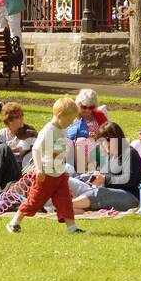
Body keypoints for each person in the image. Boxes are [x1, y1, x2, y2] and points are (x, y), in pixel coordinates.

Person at [8, 96, 84, 235]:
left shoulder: (61, 129)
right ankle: (15, 222)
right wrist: (39, 169)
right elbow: (36, 149)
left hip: (59, 174)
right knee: (35, 201)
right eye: (68, 120)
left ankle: (72, 228)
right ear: (59, 116)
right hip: (46, 174)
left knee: (65, 200)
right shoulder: (49, 130)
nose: (70, 124)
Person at [69, 122, 141, 213]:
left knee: (100, 192)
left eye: (106, 140)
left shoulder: (129, 153)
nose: (103, 144)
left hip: (130, 197)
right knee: (81, 181)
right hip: (110, 194)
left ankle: (64, 204)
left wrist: (105, 179)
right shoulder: (109, 156)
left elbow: (130, 180)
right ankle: (67, 207)